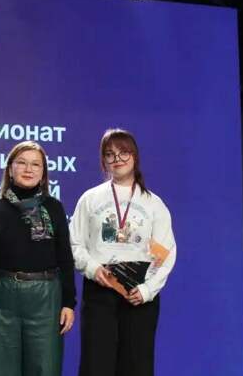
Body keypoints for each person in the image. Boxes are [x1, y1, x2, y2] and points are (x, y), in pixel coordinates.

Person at [69, 128, 177, 376]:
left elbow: (166, 252)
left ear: (134, 156)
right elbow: (74, 244)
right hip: (100, 289)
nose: (117, 159)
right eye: (110, 154)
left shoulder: (153, 203)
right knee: (96, 365)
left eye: (123, 152)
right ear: (103, 160)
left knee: (136, 366)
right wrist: (93, 269)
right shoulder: (90, 198)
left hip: (138, 293)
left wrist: (147, 289)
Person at [0, 140, 77, 376]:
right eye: (22, 163)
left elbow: (65, 258)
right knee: (1, 369)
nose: (29, 169)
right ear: (10, 169)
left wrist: (69, 303)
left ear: (43, 173)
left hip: (46, 298)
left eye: (36, 164)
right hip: (1, 298)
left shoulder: (54, 207)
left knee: (45, 369)